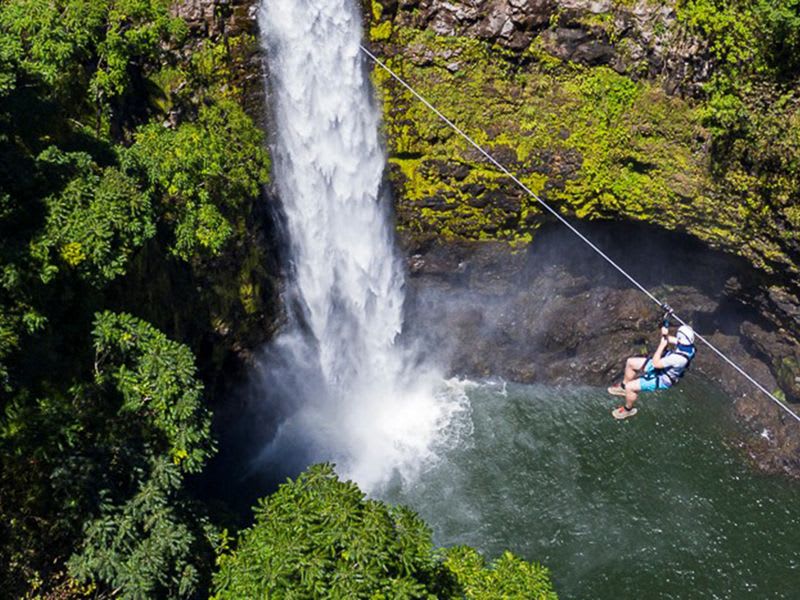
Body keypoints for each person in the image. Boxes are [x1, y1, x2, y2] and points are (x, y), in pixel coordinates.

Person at [607, 323, 696, 420]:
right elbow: (672, 340)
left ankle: (628, 410)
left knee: (630, 387)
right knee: (630, 362)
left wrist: (661, 346)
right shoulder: (690, 347)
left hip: (663, 377)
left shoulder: (678, 359)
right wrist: (665, 334)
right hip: (663, 367)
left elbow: (655, 363)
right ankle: (623, 388)